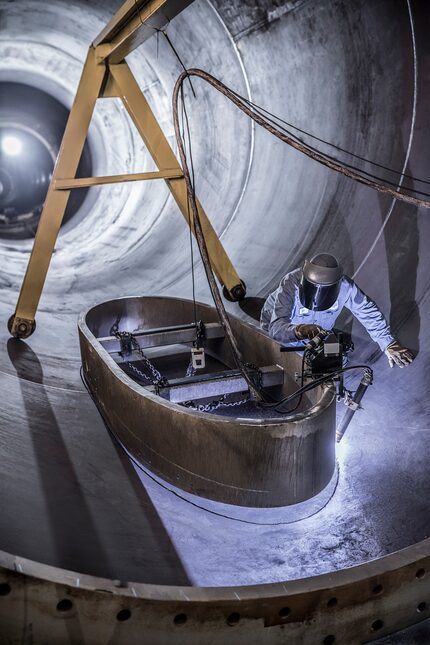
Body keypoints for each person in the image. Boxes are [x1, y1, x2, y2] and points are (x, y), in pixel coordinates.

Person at [260, 253, 414, 368]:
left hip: (318, 330)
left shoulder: (345, 287)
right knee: (293, 365)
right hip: (284, 329)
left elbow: (366, 310)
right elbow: (276, 328)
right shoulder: (291, 283)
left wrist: (388, 343)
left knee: (337, 360)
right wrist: (299, 331)